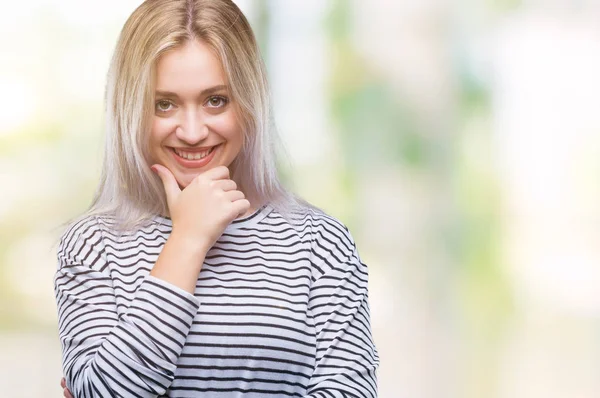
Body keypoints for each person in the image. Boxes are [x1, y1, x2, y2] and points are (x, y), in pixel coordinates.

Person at [54, 0, 379, 397]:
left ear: (248, 101)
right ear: (130, 108)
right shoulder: (91, 245)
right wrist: (186, 241)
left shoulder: (320, 243)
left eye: (215, 100)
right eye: (164, 104)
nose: (192, 132)